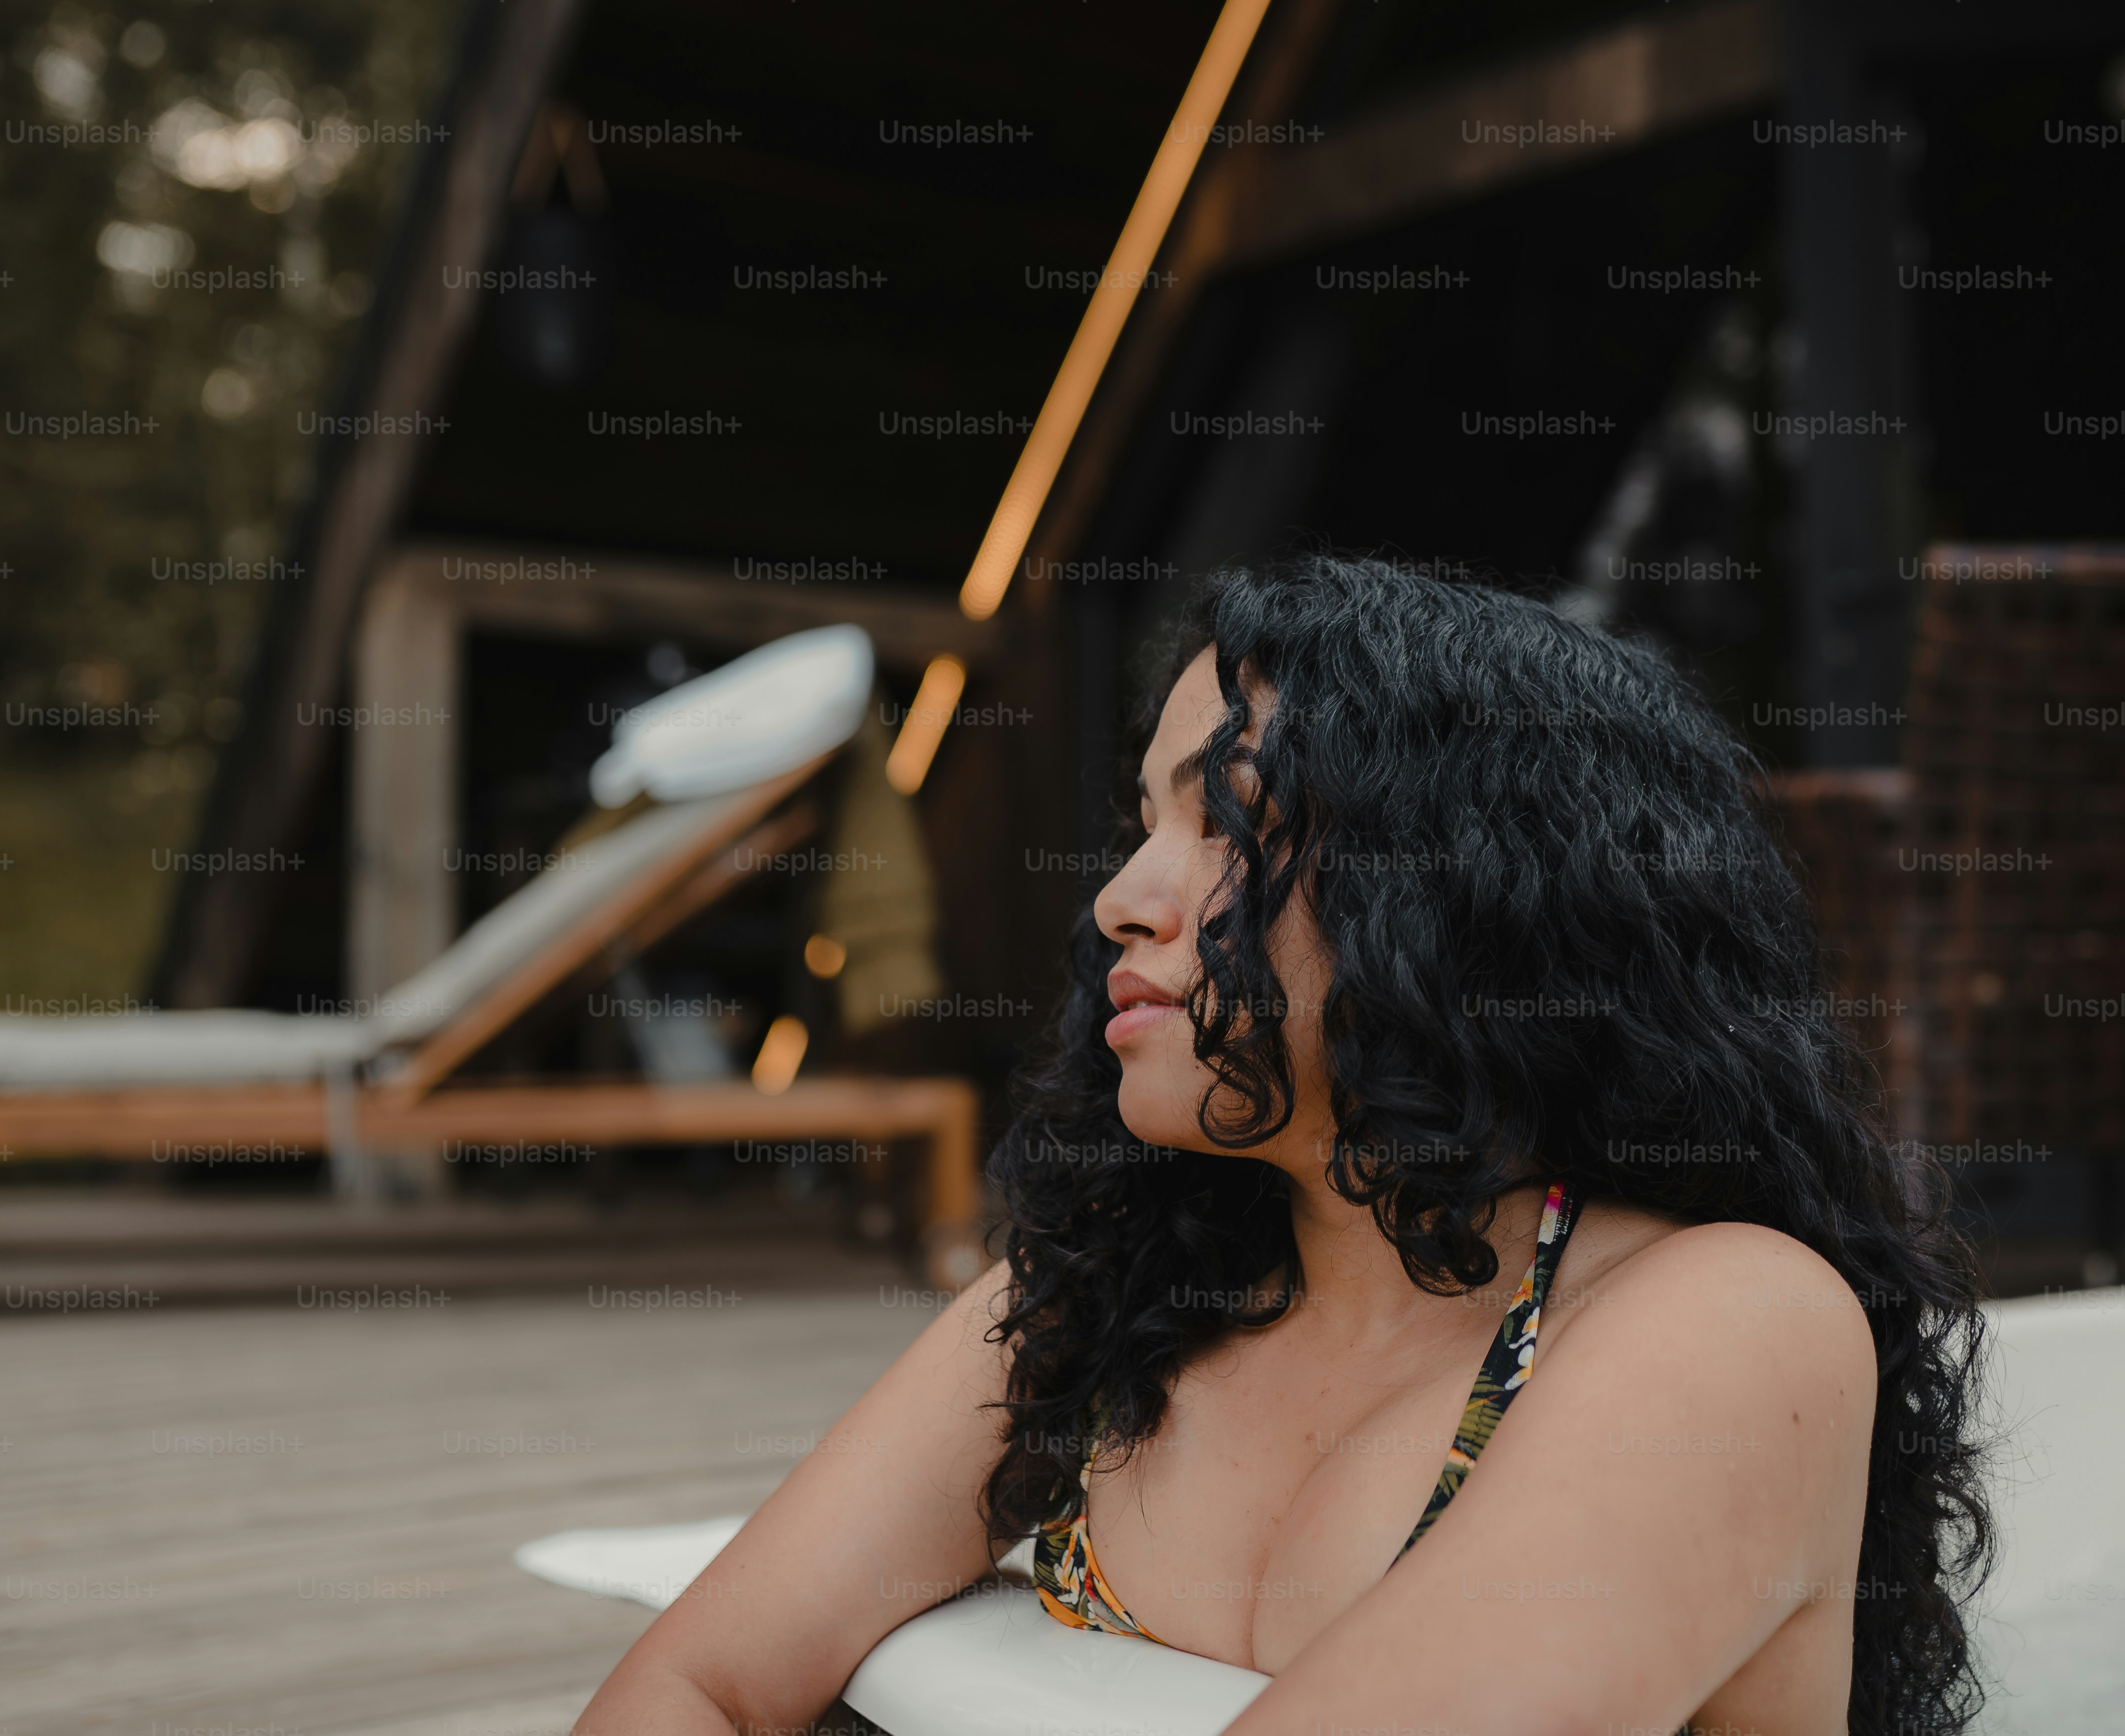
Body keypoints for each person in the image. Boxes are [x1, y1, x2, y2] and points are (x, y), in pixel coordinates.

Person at [578, 557, 1990, 1735]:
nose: (1125, 901)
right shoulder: (1121, 1290)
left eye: (1228, 822)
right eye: (1144, 823)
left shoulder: (1726, 1319)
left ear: (1472, 887)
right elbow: (696, 1686)